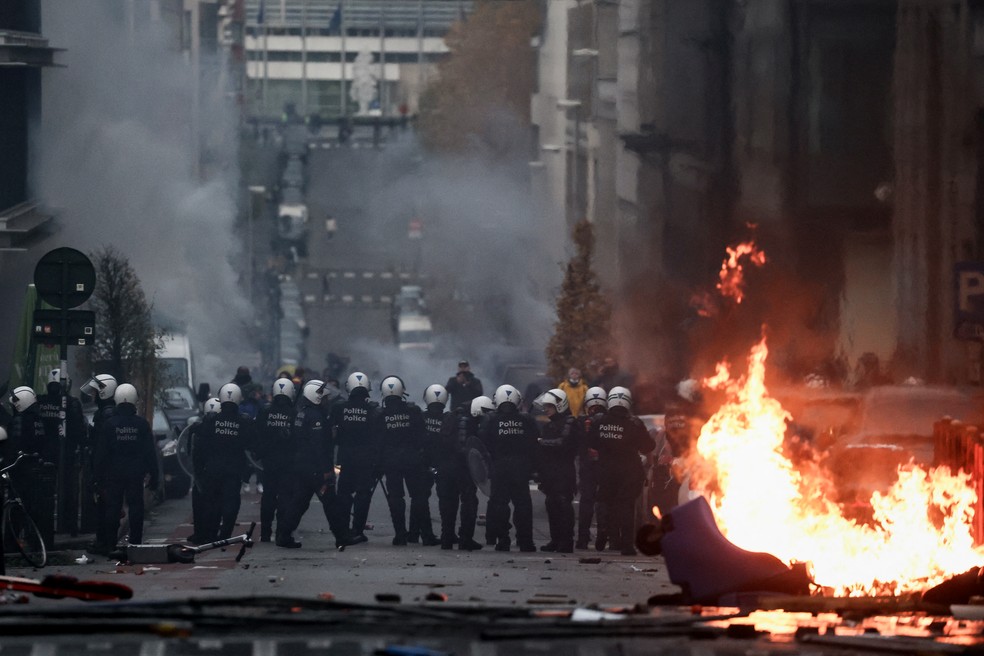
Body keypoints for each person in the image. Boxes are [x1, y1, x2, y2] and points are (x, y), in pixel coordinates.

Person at [277, 380, 351, 548]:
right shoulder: (316, 418)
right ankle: (342, 537)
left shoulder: (302, 413)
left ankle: (284, 535)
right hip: (316, 469)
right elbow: (319, 447)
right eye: (324, 398)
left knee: (299, 503)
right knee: (331, 503)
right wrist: (326, 470)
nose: (326, 401)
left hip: (302, 466)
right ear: (316, 398)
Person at [589, 386, 655, 555]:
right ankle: (626, 545)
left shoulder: (599, 421)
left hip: (605, 469)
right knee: (626, 506)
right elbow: (648, 446)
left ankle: (607, 533)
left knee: (606, 501)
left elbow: (591, 442)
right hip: (629, 470)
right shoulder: (634, 423)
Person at [93, 384, 158, 552]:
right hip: (135, 473)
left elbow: (101, 453)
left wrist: (97, 477)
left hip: (113, 473)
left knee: (113, 508)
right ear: (134, 401)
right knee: (136, 506)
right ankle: (135, 542)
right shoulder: (141, 424)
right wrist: (154, 474)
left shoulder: (109, 425)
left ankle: (110, 544)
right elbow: (150, 452)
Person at [481, 384, 539, 552]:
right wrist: (534, 468)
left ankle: (503, 540)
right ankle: (525, 541)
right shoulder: (527, 419)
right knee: (523, 505)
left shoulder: (490, 419)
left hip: (499, 467)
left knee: (500, 504)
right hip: (521, 468)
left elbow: (483, 445)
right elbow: (534, 445)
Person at [194, 383, 254, 542]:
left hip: (213, 468)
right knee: (231, 502)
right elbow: (251, 446)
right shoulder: (244, 422)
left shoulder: (212, 420)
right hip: (234, 470)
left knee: (211, 502)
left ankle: (209, 534)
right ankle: (225, 534)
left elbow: (199, 442)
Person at [374, 376, 430, 546]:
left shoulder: (381, 415)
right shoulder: (413, 411)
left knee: (396, 498)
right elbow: (423, 436)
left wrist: (377, 464)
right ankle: (422, 534)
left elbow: (377, 442)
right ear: (402, 391)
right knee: (419, 496)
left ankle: (400, 535)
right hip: (413, 460)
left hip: (391, 462)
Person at [329, 372, 379, 545]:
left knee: (344, 493)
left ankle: (343, 529)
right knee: (363, 495)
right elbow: (378, 436)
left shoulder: (339, 408)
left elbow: (333, 435)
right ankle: (357, 530)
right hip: (366, 459)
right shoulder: (373, 409)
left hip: (346, 458)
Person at [37, 369, 87, 535]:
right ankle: (69, 526)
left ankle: (44, 528)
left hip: (44, 454)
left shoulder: (40, 402)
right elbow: (80, 429)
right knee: (69, 491)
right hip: (67, 454)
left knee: (44, 493)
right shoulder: (71, 403)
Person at [437, 395, 489, 551]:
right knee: (469, 502)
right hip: (463, 467)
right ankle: (465, 539)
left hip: (446, 467)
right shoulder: (468, 422)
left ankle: (447, 538)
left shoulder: (452, 416)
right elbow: (469, 447)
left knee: (449, 502)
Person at [535, 388, 581, 553]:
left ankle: (566, 541)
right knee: (551, 504)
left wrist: (541, 443)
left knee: (563, 505)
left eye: (549, 406)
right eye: (545, 406)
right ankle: (555, 540)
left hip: (564, 471)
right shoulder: (549, 425)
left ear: (560, 405)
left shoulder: (570, 422)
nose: (546, 409)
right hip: (551, 472)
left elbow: (564, 443)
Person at [254, 379, 297, 543]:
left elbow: (257, 435)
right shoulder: (294, 413)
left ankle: (265, 533)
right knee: (285, 497)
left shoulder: (265, 412)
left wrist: (261, 453)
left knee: (268, 497)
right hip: (288, 462)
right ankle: (281, 532)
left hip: (269, 462)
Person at [80, 374, 118, 553]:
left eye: (96, 392)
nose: (93, 396)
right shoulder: (104, 412)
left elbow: (104, 444)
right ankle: (103, 541)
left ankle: (106, 542)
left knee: (106, 505)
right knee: (102, 505)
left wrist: (98, 471)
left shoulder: (108, 413)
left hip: (107, 468)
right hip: (104, 466)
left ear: (104, 392)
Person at [185, 397, 220, 544]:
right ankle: (212, 533)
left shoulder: (196, 428)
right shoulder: (221, 428)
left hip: (200, 471)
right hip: (216, 471)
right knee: (216, 503)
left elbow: (188, 451)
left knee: (199, 503)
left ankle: (199, 533)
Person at [576, 386, 607, 549]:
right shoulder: (610, 420)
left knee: (586, 502)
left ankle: (582, 538)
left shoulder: (581, 421)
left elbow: (576, 443)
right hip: (604, 466)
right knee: (603, 500)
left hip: (587, 467)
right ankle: (602, 533)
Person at [417, 384, 449, 546]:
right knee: (446, 498)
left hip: (423, 462)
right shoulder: (448, 418)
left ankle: (422, 534)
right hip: (442, 462)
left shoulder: (420, 417)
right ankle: (447, 533)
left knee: (420, 498)